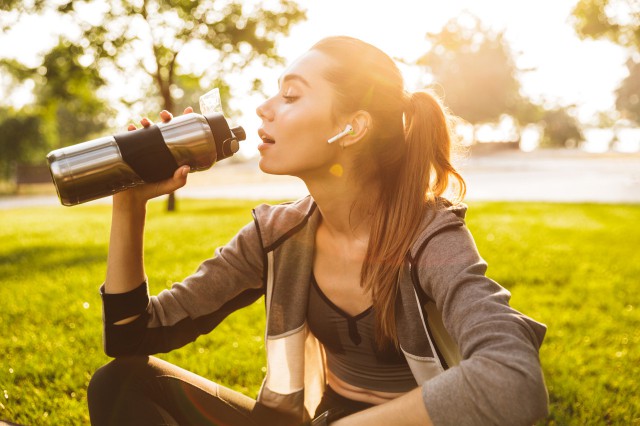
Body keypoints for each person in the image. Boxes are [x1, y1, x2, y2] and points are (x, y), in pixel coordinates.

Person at [87, 36, 549, 425]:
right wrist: (128, 202)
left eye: (290, 96)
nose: (263, 109)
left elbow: (514, 380)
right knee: (123, 381)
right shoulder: (276, 235)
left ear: (351, 128)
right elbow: (131, 337)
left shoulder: (431, 237)